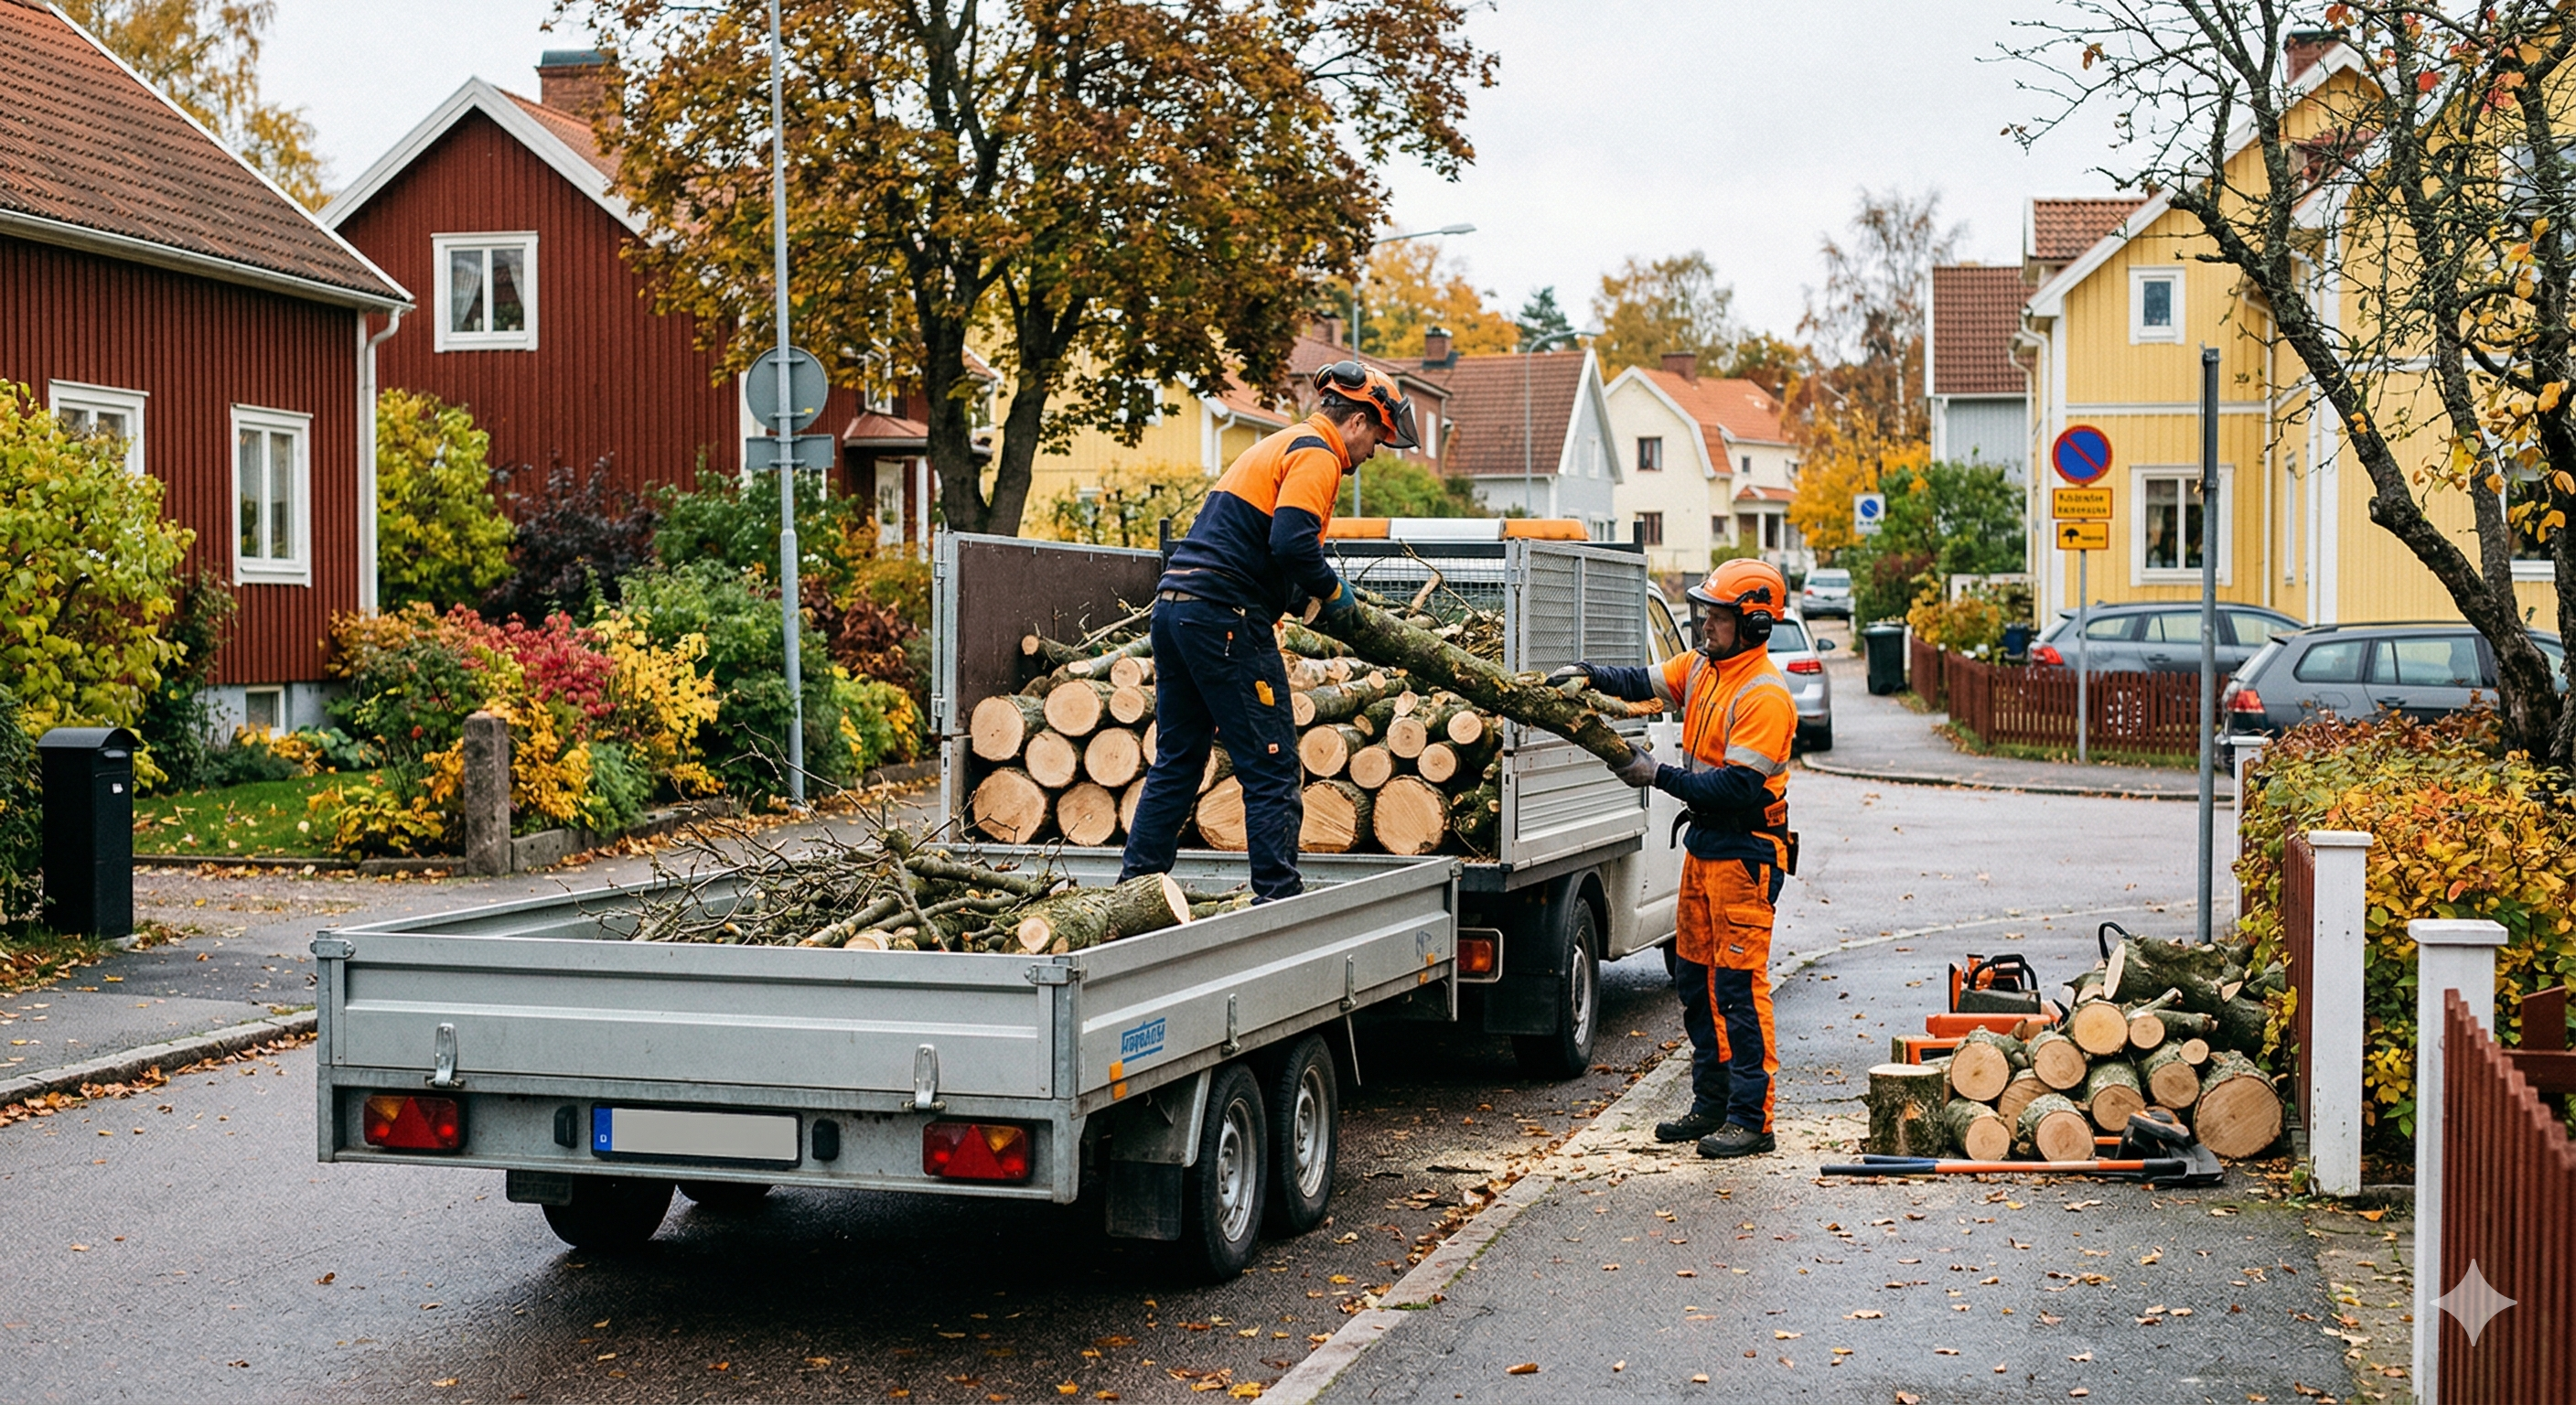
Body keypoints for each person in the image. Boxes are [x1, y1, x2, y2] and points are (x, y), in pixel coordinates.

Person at [1118, 361, 1422, 903]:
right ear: (1356, 421)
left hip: (1175, 608)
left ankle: (1135, 888)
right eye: (1376, 437)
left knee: (1179, 759)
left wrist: (1296, 595)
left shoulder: (1279, 445)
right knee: (1272, 763)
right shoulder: (1318, 454)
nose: (1372, 452)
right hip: (1224, 618)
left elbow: (1256, 544)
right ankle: (1278, 898)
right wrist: (1331, 592)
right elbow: (1291, 543)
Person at [1549, 559, 1796, 1158]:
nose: (1705, 624)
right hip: (1707, 845)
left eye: (1717, 616)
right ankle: (1711, 1103)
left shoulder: (1764, 694)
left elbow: (1736, 789)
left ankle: (1751, 1119)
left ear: (1754, 623)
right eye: (1705, 613)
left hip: (1745, 850)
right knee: (1694, 978)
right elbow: (1642, 679)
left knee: (1737, 988)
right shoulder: (1706, 669)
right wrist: (1588, 675)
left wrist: (1655, 773)